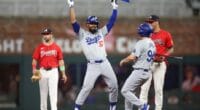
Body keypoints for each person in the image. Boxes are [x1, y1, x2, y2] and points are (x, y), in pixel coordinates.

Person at [67, 0, 119, 110]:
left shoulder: (101, 32)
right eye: (91, 23)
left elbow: (112, 22)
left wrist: (115, 8)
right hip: (92, 66)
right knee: (86, 88)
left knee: (114, 85)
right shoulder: (82, 34)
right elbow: (73, 21)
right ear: (87, 24)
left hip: (105, 63)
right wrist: (71, 6)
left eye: (95, 24)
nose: (93, 25)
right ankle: (76, 108)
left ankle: (112, 107)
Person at [139, 15, 174, 110]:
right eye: (148, 22)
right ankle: (143, 107)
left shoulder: (165, 34)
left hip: (160, 64)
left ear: (157, 22)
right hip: (148, 63)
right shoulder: (147, 34)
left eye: (151, 22)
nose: (149, 23)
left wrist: (165, 55)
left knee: (158, 89)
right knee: (144, 88)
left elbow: (171, 48)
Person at [120, 23, 156, 110]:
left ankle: (142, 106)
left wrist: (123, 60)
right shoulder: (152, 44)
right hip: (147, 73)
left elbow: (133, 57)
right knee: (130, 94)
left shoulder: (141, 42)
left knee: (124, 91)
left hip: (139, 72)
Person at [32, 28, 68, 110]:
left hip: (53, 71)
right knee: (43, 94)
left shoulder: (56, 47)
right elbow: (34, 60)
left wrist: (63, 73)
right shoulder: (39, 47)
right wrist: (34, 69)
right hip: (42, 71)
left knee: (53, 94)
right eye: (44, 34)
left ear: (51, 35)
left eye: (47, 34)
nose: (46, 36)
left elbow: (61, 62)